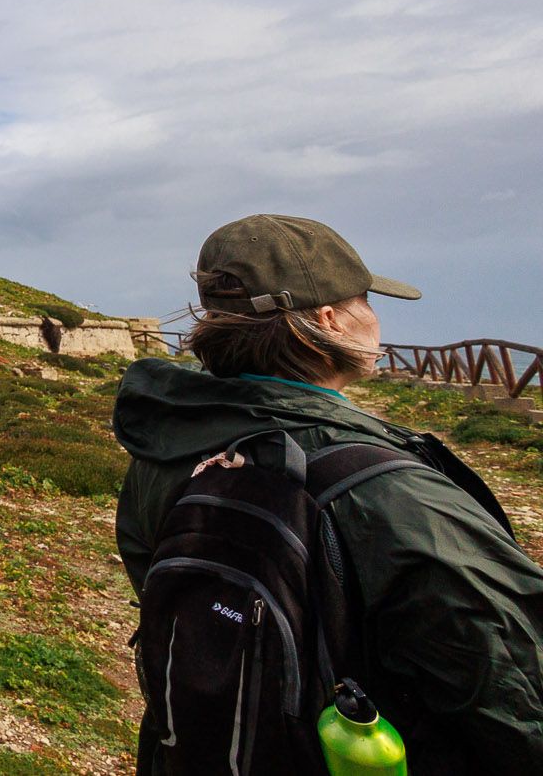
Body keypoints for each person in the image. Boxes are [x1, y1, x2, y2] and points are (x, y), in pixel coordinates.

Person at [113, 214, 543, 772]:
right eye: (365, 300)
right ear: (330, 320)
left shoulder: (165, 448)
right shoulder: (393, 492)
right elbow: (514, 692)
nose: (375, 316)